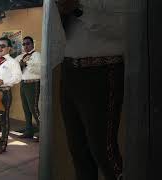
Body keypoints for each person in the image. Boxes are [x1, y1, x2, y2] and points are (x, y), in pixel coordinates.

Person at [55, 0, 125, 179]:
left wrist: (78, 9)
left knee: (103, 151)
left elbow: (122, 29)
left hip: (101, 71)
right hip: (69, 71)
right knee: (78, 151)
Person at [15, 36, 41, 140]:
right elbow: (14, 67)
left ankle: (42, 131)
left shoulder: (37, 55)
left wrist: (26, 63)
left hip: (33, 84)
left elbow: (39, 69)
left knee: (34, 108)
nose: (26, 46)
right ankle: (29, 130)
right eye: (24, 44)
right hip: (23, 84)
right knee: (26, 108)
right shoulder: (20, 56)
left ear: (32, 44)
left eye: (28, 43)